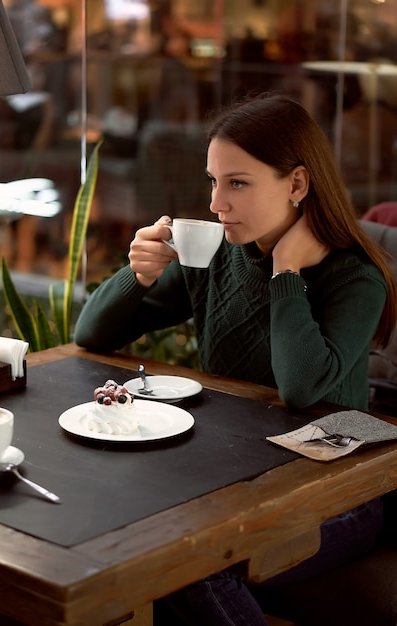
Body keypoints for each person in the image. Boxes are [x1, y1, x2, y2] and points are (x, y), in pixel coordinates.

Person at [74, 92, 397, 625]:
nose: (215, 204)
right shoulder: (218, 254)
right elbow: (91, 334)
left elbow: (299, 388)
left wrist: (287, 273)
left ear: (296, 184)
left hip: (342, 494)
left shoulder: (355, 277)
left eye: (237, 183)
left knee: (188, 565)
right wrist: (139, 273)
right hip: (230, 478)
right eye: (213, 181)